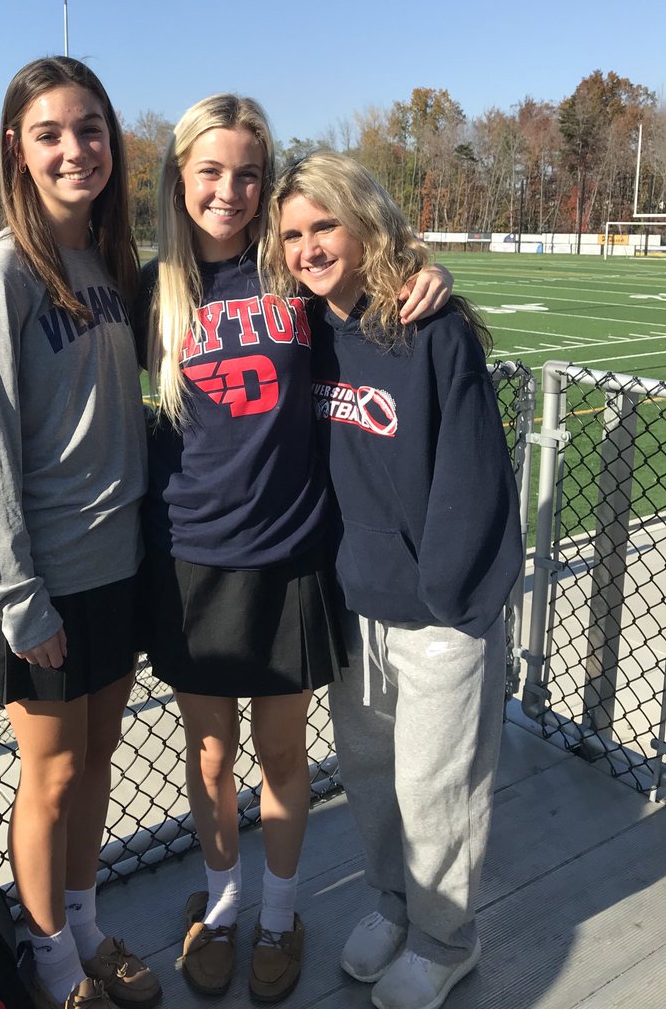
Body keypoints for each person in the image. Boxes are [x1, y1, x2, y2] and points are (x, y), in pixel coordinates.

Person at [135, 97, 453, 1004]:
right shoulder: (150, 287)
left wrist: (426, 270)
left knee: (281, 755)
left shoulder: (288, 274)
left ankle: (280, 911)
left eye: (247, 173)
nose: (229, 190)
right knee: (208, 757)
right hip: (192, 555)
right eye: (211, 170)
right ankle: (225, 902)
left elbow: (367, 275)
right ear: (179, 178)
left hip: (287, 556)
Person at [265, 150, 523, 1009]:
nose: (308, 247)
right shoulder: (301, 332)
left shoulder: (430, 328)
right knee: (373, 776)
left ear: (364, 221)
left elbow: (475, 477)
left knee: (435, 785)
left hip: (436, 609)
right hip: (352, 603)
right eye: (293, 233)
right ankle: (391, 902)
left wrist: (451, 598)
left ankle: (448, 937)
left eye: (323, 225)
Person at [0, 57, 161, 1009]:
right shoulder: (1, 273)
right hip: (41, 580)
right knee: (52, 775)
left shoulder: (108, 265)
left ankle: (82, 927)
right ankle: (51, 966)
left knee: (99, 761)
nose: (75, 149)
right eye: (50, 133)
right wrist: (16, 600)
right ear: (16, 150)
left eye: (90, 129)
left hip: (118, 564)